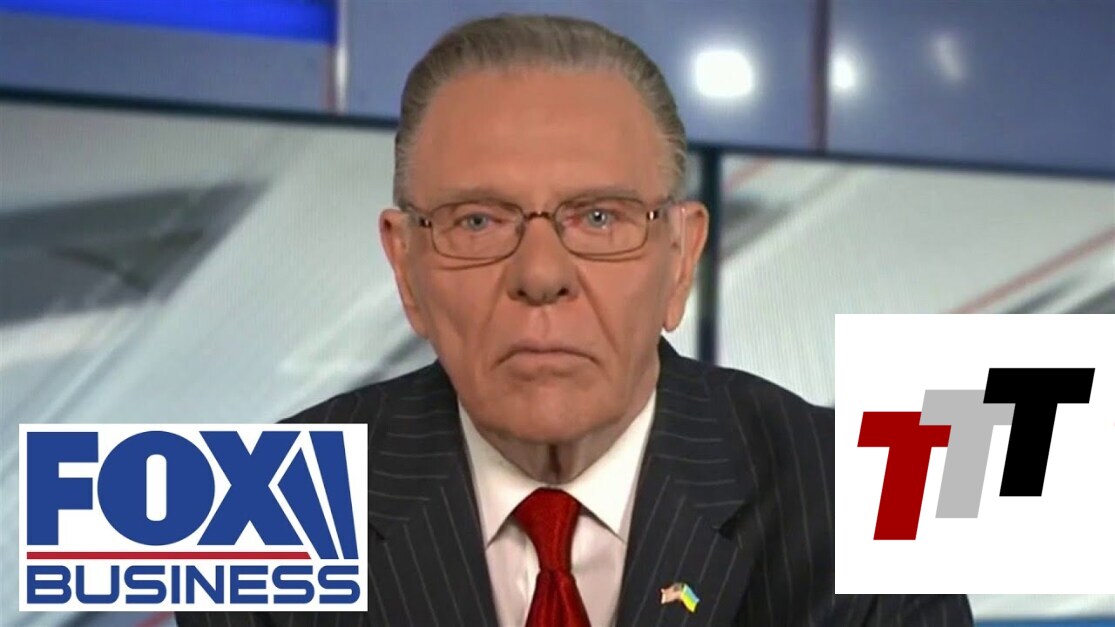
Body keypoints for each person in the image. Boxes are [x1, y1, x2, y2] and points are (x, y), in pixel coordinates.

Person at [178, 14, 973, 627]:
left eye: (599, 217)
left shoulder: (870, 499)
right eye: (477, 221)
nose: (540, 276)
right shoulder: (257, 512)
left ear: (680, 258)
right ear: (405, 265)